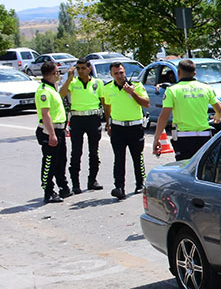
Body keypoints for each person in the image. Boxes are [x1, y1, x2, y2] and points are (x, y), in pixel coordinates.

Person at [153, 59, 221, 163]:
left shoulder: (173, 90)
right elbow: (220, 110)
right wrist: (217, 116)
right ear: (194, 73)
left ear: (178, 73)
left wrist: (157, 138)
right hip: (204, 137)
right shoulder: (206, 88)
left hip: (183, 139)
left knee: (184, 170)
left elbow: (164, 116)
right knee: (202, 168)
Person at [101, 61, 150, 200]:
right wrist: (108, 123)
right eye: (116, 73)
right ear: (111, 74)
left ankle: (140, 183)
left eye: (121, 72)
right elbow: (107, 107)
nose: (119, 75)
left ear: (125, 72)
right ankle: (119, 187)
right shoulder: (108, 88)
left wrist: (132, 93)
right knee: (119, 158)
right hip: (118, 127)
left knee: (137, 156)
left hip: (135, 126)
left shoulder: (136, 85)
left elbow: (146, 103)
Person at [59, 59, 104, 194]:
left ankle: (92, 180)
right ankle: (76, 184)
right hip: (77, 119)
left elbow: (104, 102)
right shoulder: (73, 82)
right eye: (78, 68)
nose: (80, 71)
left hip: (93, 118)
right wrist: (69, 78)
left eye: (83, 68)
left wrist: (108, 121)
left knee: (94, 152)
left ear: (89, 69)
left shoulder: (98, 83)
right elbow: (61, 94)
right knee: (76, 152)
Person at [34, 61, 70, 204]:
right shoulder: (44, 91)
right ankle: (48, 191)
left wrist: (62, 128)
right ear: (54, 74)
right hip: (49, 131)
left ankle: (63, 187)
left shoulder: (52, 88)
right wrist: (52, 134)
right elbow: (45, 114)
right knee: (49, 162)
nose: (59, 75)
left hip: (58, 129)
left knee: (61, 161)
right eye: (58, 72)